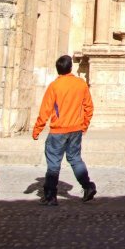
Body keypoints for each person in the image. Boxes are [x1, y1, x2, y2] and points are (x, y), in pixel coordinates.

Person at [32, 55, 97, 205]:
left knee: (54, 163)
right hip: (75, 130)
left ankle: (50, 196)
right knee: (75, 159)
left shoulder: (55, 86)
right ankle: (87, 186)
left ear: (58, 69)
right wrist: (84, 125)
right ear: (70, 68)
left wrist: (37, 129)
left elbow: (45, 110)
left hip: (58, 131)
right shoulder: (80, 84)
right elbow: (89, 107)